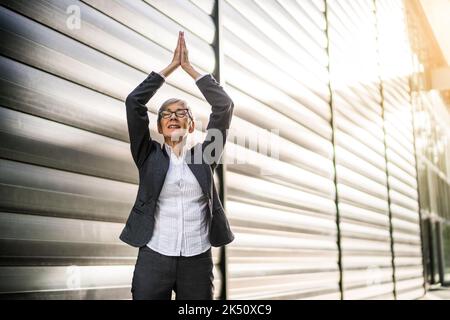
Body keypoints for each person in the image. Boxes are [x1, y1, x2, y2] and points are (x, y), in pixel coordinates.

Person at [119, 31, 235, 300]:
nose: (173, 117)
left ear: (191, 124)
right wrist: (170, 68)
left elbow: (224, 105)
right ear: (159, 126)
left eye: (181, 112)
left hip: (197, 260)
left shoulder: (206, 155)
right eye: (166, 114)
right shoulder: (147, 155)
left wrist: (190, 69)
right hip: (154, 257)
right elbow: (133, 102)